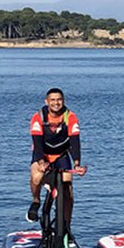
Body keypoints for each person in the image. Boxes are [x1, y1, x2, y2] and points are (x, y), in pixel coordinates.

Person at [27, 87, 86, 227]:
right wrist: (41, 162)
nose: (56, 103)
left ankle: (66, 227)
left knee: (67, 191)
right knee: (36, 177)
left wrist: (77, 163)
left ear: (63, 101)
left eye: (59, 100)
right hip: (43, 155)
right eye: (52, 100)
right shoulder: (38, 117)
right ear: (46, 102)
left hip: (61, 155)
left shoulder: (70, 117)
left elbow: (74, 141)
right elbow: (37, 142)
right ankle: (36, 200)